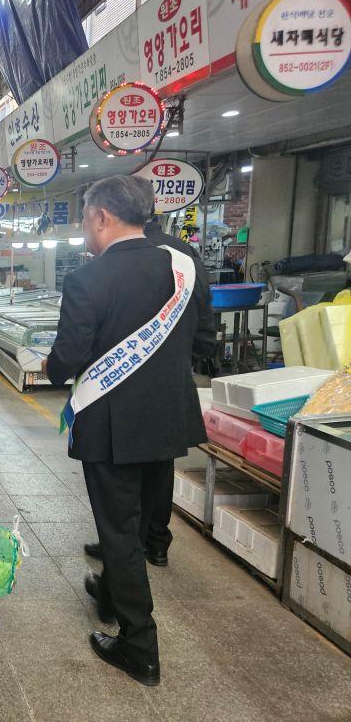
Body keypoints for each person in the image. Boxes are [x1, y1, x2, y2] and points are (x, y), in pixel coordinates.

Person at [45, 176, 206, 686]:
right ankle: (112, 593)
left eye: (86, 219)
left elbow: (66, 358)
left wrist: (52, 368)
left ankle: (139, 645)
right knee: (137, 522)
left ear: (101, 217)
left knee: (117, 529)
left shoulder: (89, 279)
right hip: (168, 414)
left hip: (112, 424)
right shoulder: (180, 264)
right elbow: (204, 333)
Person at [83, 179, 216, 567]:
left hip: (121, 394)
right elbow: (204, 322)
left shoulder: (113, 261)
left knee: (124, 481)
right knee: (158, 471)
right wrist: (183, 365)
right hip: (169, 389)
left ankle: (126, 550)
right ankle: (152, 543)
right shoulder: (183, 255)